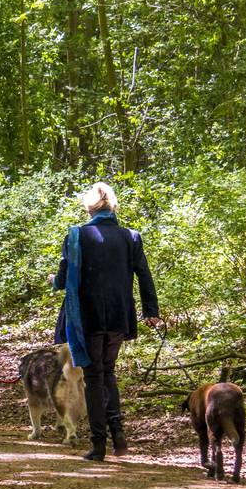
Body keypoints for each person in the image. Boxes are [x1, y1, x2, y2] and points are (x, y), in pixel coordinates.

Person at [52, 182, 162, 461]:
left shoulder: (76, 236)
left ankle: (99, 444)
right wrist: (151, 311)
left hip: (87, 317)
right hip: (118, 315)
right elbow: (144, 274)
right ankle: (118, 436)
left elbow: (63, 280)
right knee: (108, 372)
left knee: (93, 376)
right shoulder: (130, 237)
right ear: (112, 206)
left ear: (89, 208)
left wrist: (54, 281)